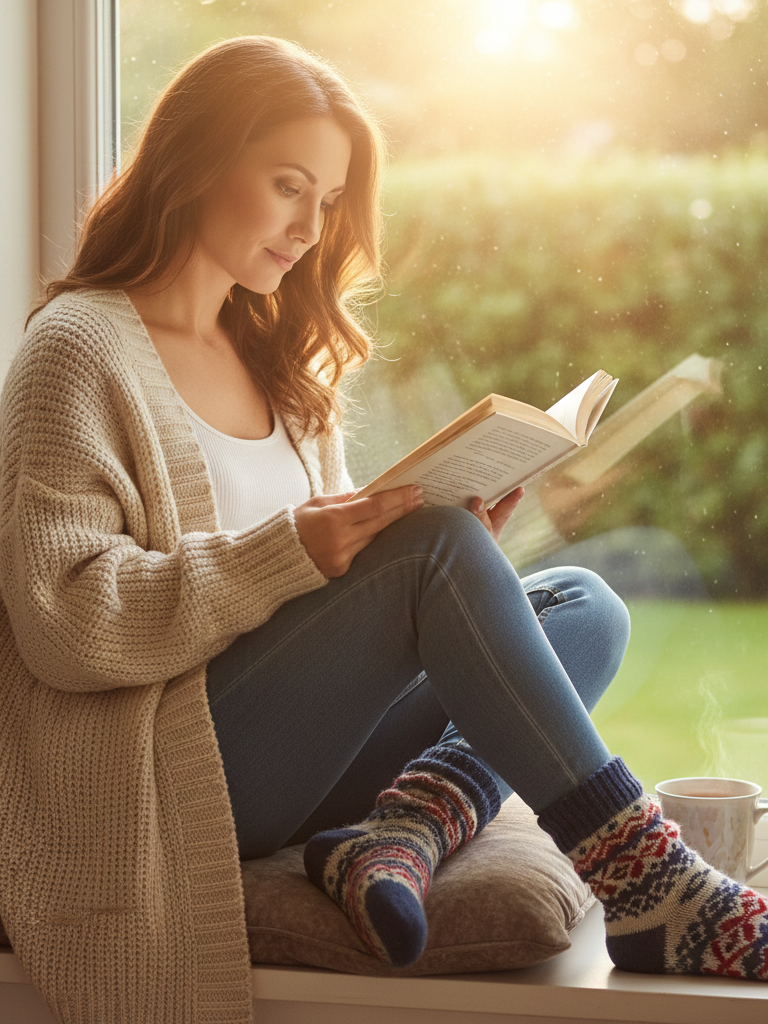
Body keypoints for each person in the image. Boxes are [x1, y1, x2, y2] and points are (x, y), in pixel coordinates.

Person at [0, 34, 765, 1024]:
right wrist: (309, 554)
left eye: (326, 202)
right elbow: (63, 620)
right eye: (288, 186)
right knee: (436, 556)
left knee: (587, 605)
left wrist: (456, 545)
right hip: (166, 768)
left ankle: (399, 828)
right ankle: (653, 882)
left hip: (309, 757)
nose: (310, 228)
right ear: (192, 164)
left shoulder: (281, 362)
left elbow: (345, 591)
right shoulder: (76, 352)